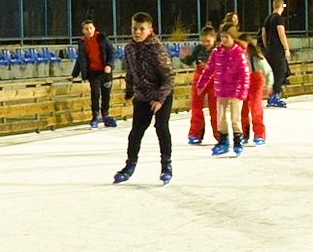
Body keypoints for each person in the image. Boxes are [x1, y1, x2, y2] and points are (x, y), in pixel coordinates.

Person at [114, 13, 176, 185]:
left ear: (150, 30)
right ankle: (130, 165)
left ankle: (166, 165)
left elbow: (169, 77)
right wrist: (129, 90)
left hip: (161, 95)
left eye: (142, 29)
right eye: (135, 28)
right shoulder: (129, 49)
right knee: (136, 132)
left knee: (161, 127)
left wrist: (159, 99)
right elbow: (130, 71)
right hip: (141, 96)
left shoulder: (157, 50)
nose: (137, 32)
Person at [206, 26, 251, 156]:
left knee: (235, 117)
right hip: (221, 90)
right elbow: (209, 69)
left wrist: (242, 91)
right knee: (220, 117)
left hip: (236, 91)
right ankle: (223, 141)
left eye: (227, 37)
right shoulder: (217, 52)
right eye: (222, 37)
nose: (224, 40)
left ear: (233, 38)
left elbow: (245, 74)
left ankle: (237, 141)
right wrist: (201, 83)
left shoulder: (239, 53)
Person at [70, 19, 118, 129]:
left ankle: (105, 115)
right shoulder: (82, 42)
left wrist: (109, 65)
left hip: (105, 72)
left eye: (91, 28)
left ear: (94, 28)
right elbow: (80, 59)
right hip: (93, 72)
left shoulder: (102, 38)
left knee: (106, 94)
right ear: (83, 31)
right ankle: (95, 116)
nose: (89, 30)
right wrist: (74, 74)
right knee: (95, 94)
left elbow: (112, 52)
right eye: (86, 29)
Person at [182, 26, 217, 143]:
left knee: (215, 108)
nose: (205, 44)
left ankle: (219, 134)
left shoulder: (218, 50)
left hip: (214, 79)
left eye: (208, 41)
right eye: (203, 41)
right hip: (199, 78)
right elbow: (190, 60)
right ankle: (196, 133)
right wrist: (184, 57)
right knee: (196, 106)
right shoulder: (198, 48)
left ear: (214, 39)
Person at [240, 33, 271, 146]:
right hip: (244, 83)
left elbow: (268, 71)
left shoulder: (256, 57)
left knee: (255, 107)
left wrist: (269, 85)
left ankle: (259, 134)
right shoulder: (237, 55)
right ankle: (244, 134)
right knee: (243, 110)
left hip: (256, 81)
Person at [262, 0, 292, 108]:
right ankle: (275, 96)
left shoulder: (267, 18)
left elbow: (263, 34)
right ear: (282, 6)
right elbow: (281, 33)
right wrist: (286, 48)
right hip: (277, 49)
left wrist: (267, 46)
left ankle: (271, 97)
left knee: (273, 73)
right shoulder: (279, 19)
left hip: (269, 49)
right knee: (280, 72)